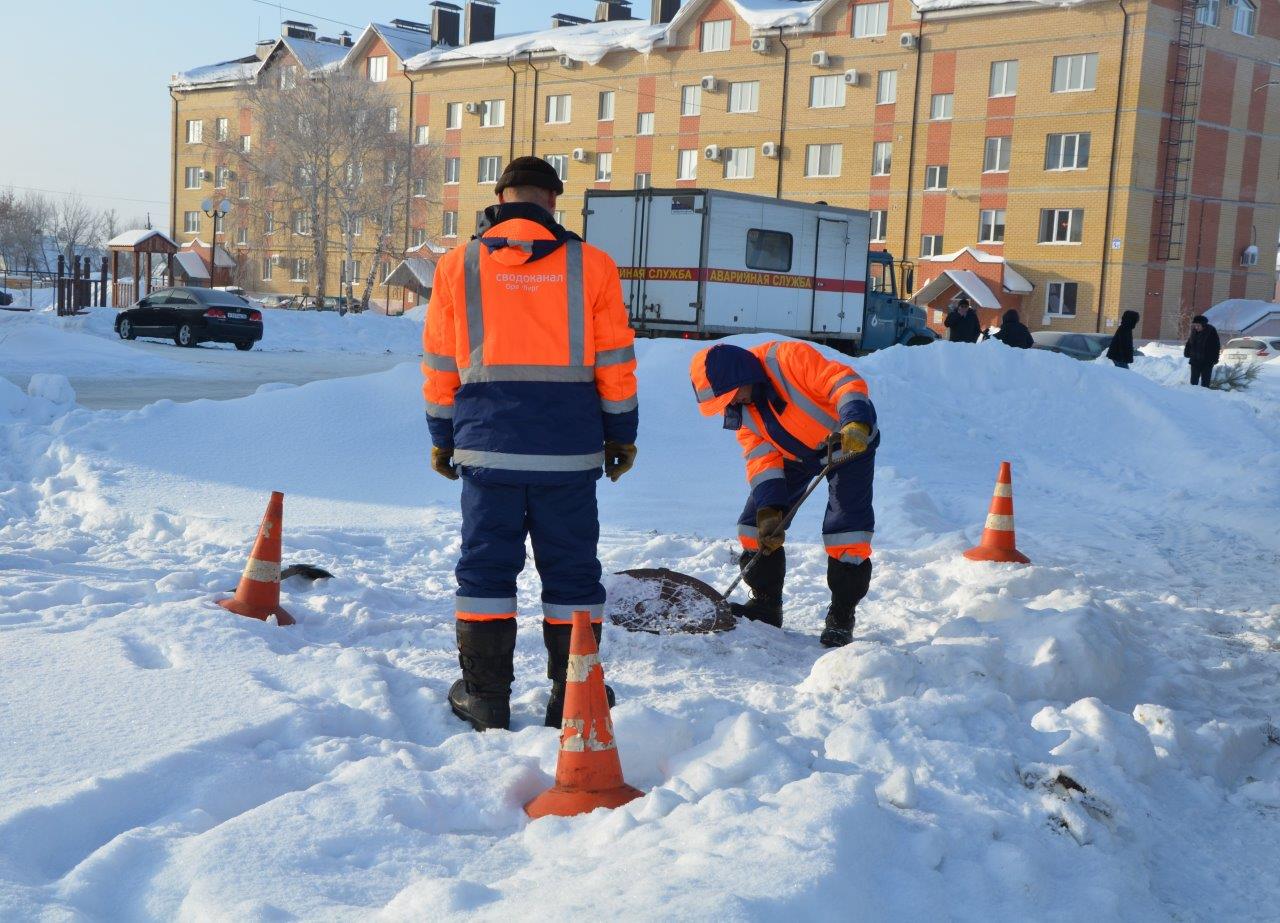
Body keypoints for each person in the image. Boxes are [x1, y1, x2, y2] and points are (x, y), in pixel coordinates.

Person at [422, 156, 639, 732]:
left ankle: (485, 697)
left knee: (487, 571)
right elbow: (616, 360)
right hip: (568, 452)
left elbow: (441, 363)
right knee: (571, 573)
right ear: (552, 200)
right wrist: (621, 435)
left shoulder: (457, 265)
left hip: (486, 448)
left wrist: (443, 437)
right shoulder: (591, 265)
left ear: (501, 196)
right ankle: (571, 697)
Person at [689, 341, 878, 648]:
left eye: (729, 395)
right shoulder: (742, 411)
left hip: (849, 441)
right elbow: (761, 457)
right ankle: (766, 605)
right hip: (795, 453)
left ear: (742, 377)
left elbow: (842, 380)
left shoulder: (787, 359)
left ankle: (842, 616)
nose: (730, 404)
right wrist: (770, 507)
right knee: (754, 527)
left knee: (847, 531)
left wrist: (856, 420)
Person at [1183, 314, 1220, 388]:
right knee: (1193, 382)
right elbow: (1189, 343)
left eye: (1198, 326)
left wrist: (1215, 358)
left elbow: (1216, 346)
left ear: (1203, 325)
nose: (1196, 327)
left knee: (1205, 383)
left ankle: (1204, 397)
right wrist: (1187, 352)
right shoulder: (1194, 331)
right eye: (1195, 325)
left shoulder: (1211, 331)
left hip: (1207, 361)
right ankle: (1192, 396)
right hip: (1195, 360)